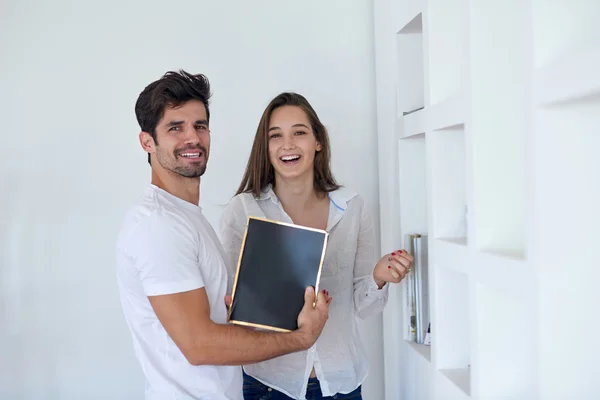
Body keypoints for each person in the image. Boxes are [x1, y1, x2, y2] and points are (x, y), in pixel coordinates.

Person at [115, 71, 331, 400]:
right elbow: (199, 345)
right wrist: (301, 339)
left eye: (200, 126)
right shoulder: (157, 225)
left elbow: (211, 324)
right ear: (147, 141)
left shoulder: (186, 217)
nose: (193, 138)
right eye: (176, 127)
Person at [220, 92, 414, 400]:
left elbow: (364, 307)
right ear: (265, 147)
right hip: (271, 383)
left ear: (318, 141)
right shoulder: (244, 210)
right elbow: (232, 310)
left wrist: (378, 277)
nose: (288, 145)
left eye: (299, 132)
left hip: (341, 382)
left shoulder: (351, 207)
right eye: (276, 136)